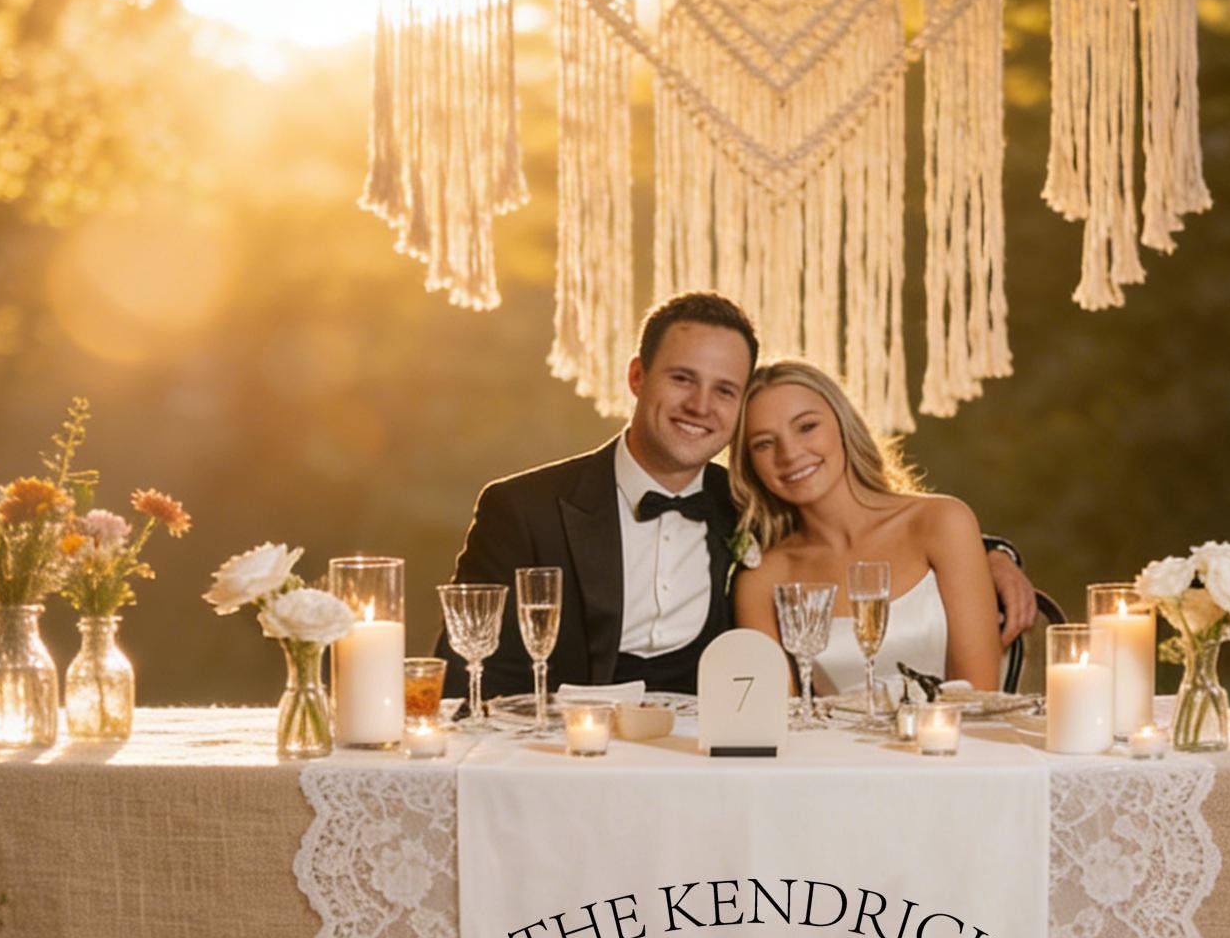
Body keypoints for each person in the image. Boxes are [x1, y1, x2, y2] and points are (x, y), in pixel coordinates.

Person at [440, 290, 1039, 700]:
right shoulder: (523, 510)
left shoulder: (741, 511)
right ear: (636, 377)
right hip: (569, 772)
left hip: (709, 766)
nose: (702, 406)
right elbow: (464, 676)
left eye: (725, 390)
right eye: (682, 379)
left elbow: (873, 539)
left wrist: (992, 555)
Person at [730, 362, 1000, 698]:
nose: (790, 453)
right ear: (749, 464)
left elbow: (980, 695)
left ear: (842, 425)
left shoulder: (942, 523)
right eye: (764, 444)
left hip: (951, 745)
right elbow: (779, 720)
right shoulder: (763, 579)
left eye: (807, 426)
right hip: (831, 751)